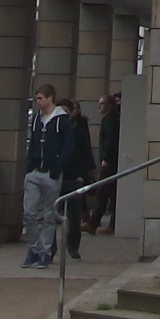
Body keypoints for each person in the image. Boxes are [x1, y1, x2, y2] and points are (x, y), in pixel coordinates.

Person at [21, 85, 72, 269]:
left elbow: (68, 147)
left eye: (41, 98)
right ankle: (34, 248)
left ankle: (44, 252)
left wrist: (57, 169)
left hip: (51, 173)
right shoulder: (36, 119)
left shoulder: (62, 121)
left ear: (50, 98)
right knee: (29, 212)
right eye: (37, 99)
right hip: (35, 171)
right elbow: (33, 143)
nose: (38, 102)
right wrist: (29, 167)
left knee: (49, 215)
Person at [59, 98, 96, 260]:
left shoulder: (80, 127)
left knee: (74, 216)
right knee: (50, 214)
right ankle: (50, 249)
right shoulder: (55, 126)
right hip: (57, 174)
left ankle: (73, 246)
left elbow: (86, 150)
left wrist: (86, 173)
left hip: (74, 175)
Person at [87, 92, 121, 233]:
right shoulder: (110, 119)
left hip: (109, 163)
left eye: (102, 104)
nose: (99, 107)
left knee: (102, 191)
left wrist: (105, 159)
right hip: (110, 161)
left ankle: (93, 223)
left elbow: (110, 142)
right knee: (111, 193)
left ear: (110, 105)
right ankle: (110, 223)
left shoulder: (110, 120)